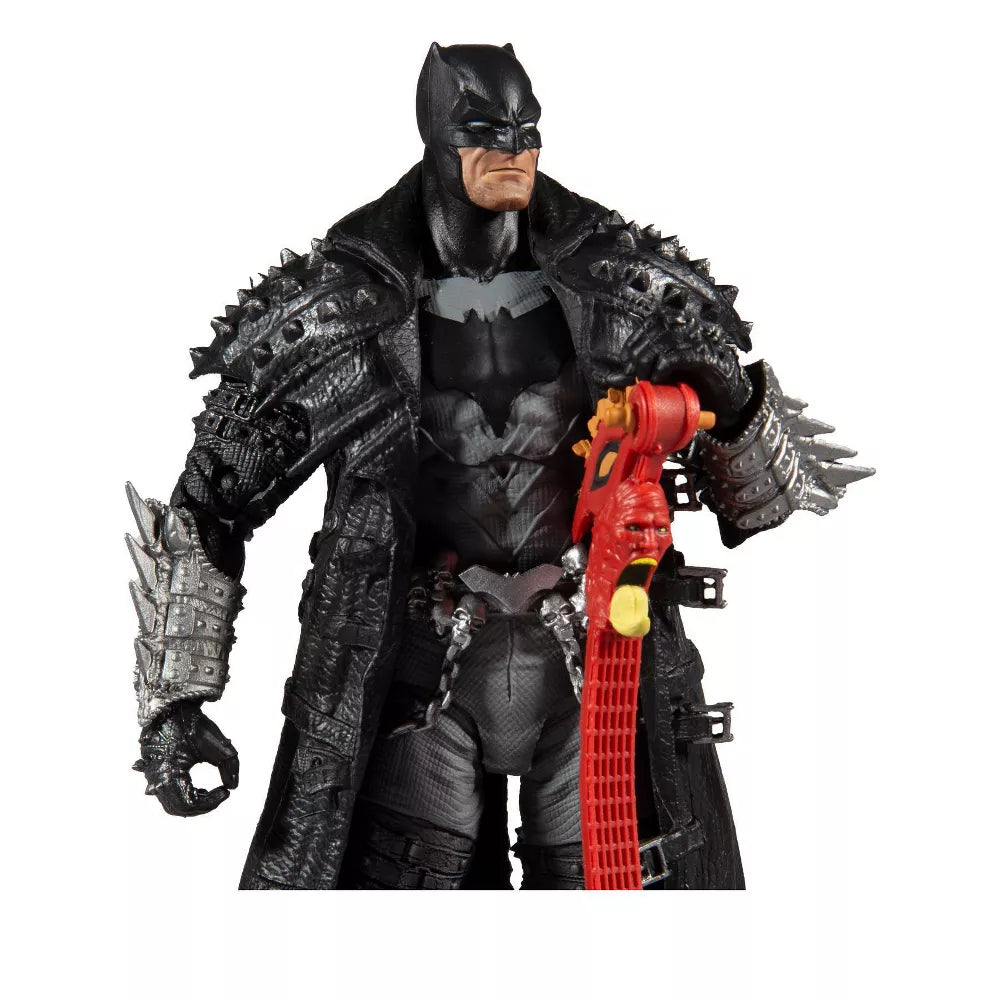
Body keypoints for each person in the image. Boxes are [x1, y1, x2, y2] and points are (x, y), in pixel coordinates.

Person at [127, 42, 871, 890]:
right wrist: (175, 700)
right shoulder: (335, 308)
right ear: (435, 137)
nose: (512, 151)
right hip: (414, 667)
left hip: (596, 658)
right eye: (485, 132)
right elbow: (211, 500)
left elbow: (761, 498)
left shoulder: (627, 287)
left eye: (526, 131)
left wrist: (730, 396)